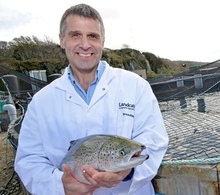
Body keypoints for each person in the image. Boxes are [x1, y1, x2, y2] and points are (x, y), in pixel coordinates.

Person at [14, 3, 169, 195]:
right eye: (75, 35)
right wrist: (60, 185)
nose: (85, 44)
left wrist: (126, 172)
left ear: (102, 41)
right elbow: (29, 160)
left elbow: (153, 140)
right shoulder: (40, 102)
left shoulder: (136, 86)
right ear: (62, 40)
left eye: (93, 36)